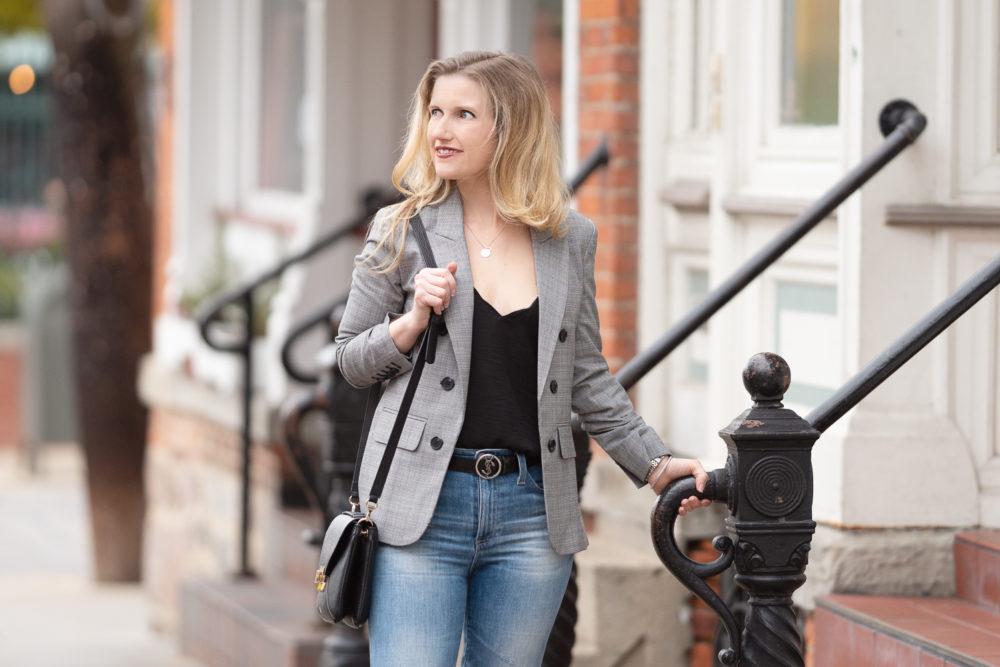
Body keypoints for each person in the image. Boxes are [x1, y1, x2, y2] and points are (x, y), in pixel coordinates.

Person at [335, 51, 711, 667]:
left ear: (509, 128)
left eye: (463, 114)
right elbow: (350, 360)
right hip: (422, 507)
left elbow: (586, 377)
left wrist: (657, 464)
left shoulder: (568, 237)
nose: (441, 130)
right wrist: (409, 324)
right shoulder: (402, 228)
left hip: (530, 512)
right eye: (435, 112)